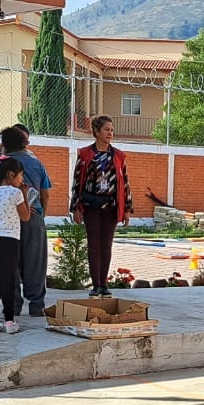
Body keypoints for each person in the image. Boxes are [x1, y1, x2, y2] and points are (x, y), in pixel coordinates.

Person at [0, 126, 52, 317]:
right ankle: (37, 304)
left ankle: (13, 305)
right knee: (36, 263)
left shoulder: (0, 164)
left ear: (4, 145)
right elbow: (45, 192)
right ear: (25, 143)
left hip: (7, 219)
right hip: (33, 217)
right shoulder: (36, 163)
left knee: (10, 263)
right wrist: (41, 214)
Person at [71, 115, 133, 298]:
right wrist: (76, 207)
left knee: (107, 245)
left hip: (112, 206)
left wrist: (127, 209)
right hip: (91, 205)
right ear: (96, 132)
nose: (110, 133)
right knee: (94, 245)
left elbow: (126, 183)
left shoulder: (119, 156)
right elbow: (77, 181)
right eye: (106, 129)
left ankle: (104, 284)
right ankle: (95, 284)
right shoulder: (85, 154)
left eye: (112, 130)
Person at [0, 157, 31, 335]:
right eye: (20, 175)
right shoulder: (16, 193)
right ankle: (9, 321)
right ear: (11, 175)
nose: (22, 180)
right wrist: (25, 194)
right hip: (10, 240)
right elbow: (25, 216)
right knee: (9, 280)